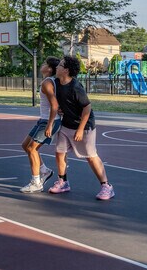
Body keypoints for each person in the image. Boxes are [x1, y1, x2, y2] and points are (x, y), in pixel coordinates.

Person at [48, 55, 114, 200]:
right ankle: (63, 182)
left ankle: (106, 186)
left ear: (66, 70)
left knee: (90, 156)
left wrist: (80, 129)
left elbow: (87, 108)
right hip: (67, 124)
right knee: (59, 152)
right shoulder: (56, 83)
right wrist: (60, 109)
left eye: (60, 65)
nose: (57, 67)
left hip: (84, 126)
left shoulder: (75, 87)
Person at [20, 57, 61, 193]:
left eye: (44, 64)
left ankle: (36, 182)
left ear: (49, 69)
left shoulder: (47, 83)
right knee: (25, 145)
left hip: (50, 121)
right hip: (44, 119)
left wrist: (49, 125)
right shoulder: (49, 81)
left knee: (32, 149)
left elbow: (54, 106)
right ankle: (44, 171)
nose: (42, 65)